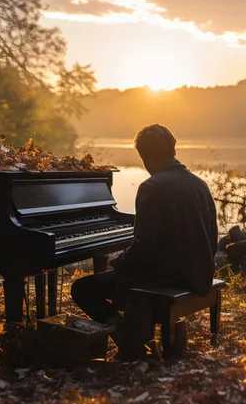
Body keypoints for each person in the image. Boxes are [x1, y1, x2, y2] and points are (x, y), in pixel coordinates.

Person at [71, 124, 218, 359]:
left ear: (145, 156)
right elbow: (213, 238)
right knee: (118, 277)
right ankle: (134, 334)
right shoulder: (199, 184)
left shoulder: (152, 187)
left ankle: (128, 338)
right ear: (173, 150)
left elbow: (144, 247)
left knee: (82, 288)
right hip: (198, 273)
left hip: (169, 276)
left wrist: (119, 262)